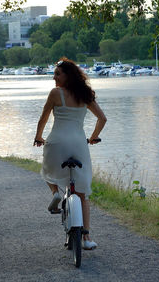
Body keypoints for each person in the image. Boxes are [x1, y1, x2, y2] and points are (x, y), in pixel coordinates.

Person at [33, 58, 107, 250]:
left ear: (67, 75)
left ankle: (56, 193)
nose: (54, 77)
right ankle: (87, 239)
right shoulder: (84, 94)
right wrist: (93, 137)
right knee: (82, 195)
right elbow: (102, 118)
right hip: (78, 144)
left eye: (57, 74)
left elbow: (44, 118)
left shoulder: (56, 94)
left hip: (57, 142)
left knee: (47, 170)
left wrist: (38, 137)